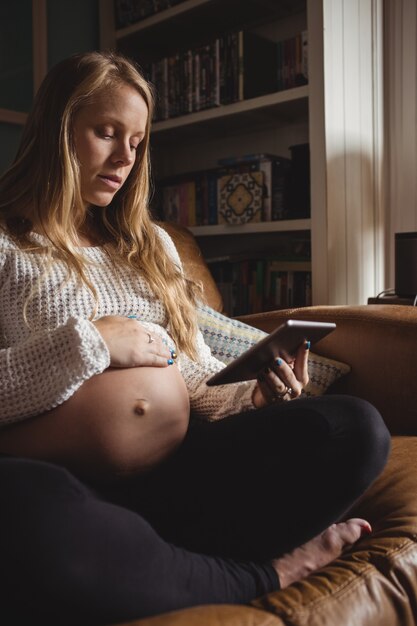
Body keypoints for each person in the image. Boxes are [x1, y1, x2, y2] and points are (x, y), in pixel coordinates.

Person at [0, 51, 390, 626]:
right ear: (57, 129)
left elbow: (196, 379)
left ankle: (160, 564)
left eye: (136, 141)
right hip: (69, 486)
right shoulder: (8, 246)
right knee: (40, 520)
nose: (123, 158)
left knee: (351, 429)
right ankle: (261, 574)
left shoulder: (149, 246)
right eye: (106, 133)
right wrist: (91, 343)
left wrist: (255, 398)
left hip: (176, 475)